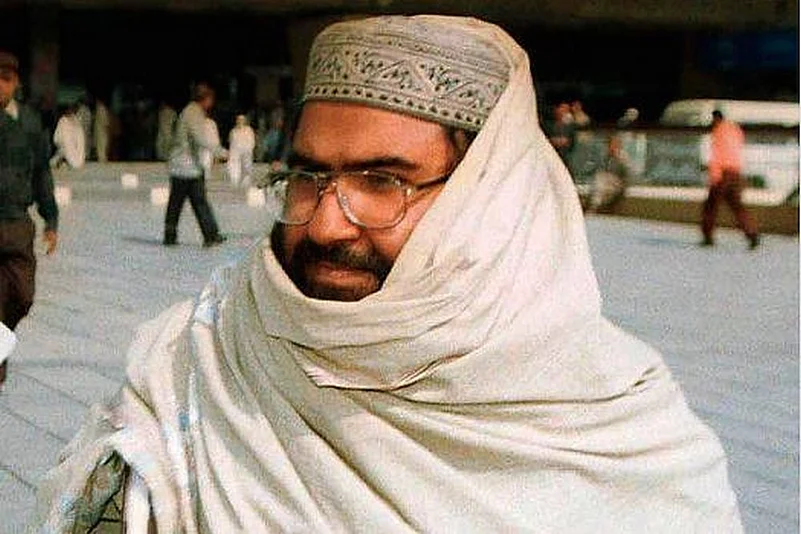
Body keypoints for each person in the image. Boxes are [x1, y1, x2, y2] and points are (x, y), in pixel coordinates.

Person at [32, 17, 742, 532]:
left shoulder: (620, 433)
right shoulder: (201, 360)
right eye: (308, 175)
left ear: (487, 198)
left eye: (382, 181)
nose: (326, 224)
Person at [0, 50, 58, 388]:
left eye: (6, 80)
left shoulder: (30, 123)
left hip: (17, 224)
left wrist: (51, 219)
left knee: (22, 296)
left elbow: (42, 173)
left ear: (16, 83)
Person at [162, 82, 226, 248]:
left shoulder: (193, 111)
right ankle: (174, 234)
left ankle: (210, 234)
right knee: (181, 202)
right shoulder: (193, 113)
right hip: (184, 166)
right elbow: (199, 138)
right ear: (205, 99)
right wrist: (220, 152)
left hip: (189, 166)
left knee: (194, 201)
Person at [701, 109, 760, 249]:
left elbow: (717, 154)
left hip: (722, 173)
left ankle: (708, 237)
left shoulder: (718, 132)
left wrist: (714, 174)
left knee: (710, 206)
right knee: (737, 206)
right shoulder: (735, 130)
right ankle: (752, 233)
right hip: (735, 172)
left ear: (715, 119)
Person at [50, 103, 86, 169]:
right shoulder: (76, 121)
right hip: (75, 158)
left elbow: (56, 139)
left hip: (70, 155)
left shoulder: (66, 121)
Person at [226, 113, 256, 186]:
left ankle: (246, 180)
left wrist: (249, 149)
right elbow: (231, 142)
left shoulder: (249, 130)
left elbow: (252, 141)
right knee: (235, 166)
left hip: (246, 151)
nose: (240, 121)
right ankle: (235, 180)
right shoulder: (233, 131)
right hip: (236, 152)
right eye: (239, 120)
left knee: (247, 166)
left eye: (242, 120)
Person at [93, 97, 111, 163]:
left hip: (102, 132)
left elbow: (106, 123)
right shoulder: (99, 109)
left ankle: (102, 161)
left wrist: (107, 132)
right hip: (100, 132)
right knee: (101, 148)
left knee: (102, 148)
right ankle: (102, 160)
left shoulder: (101, 109)